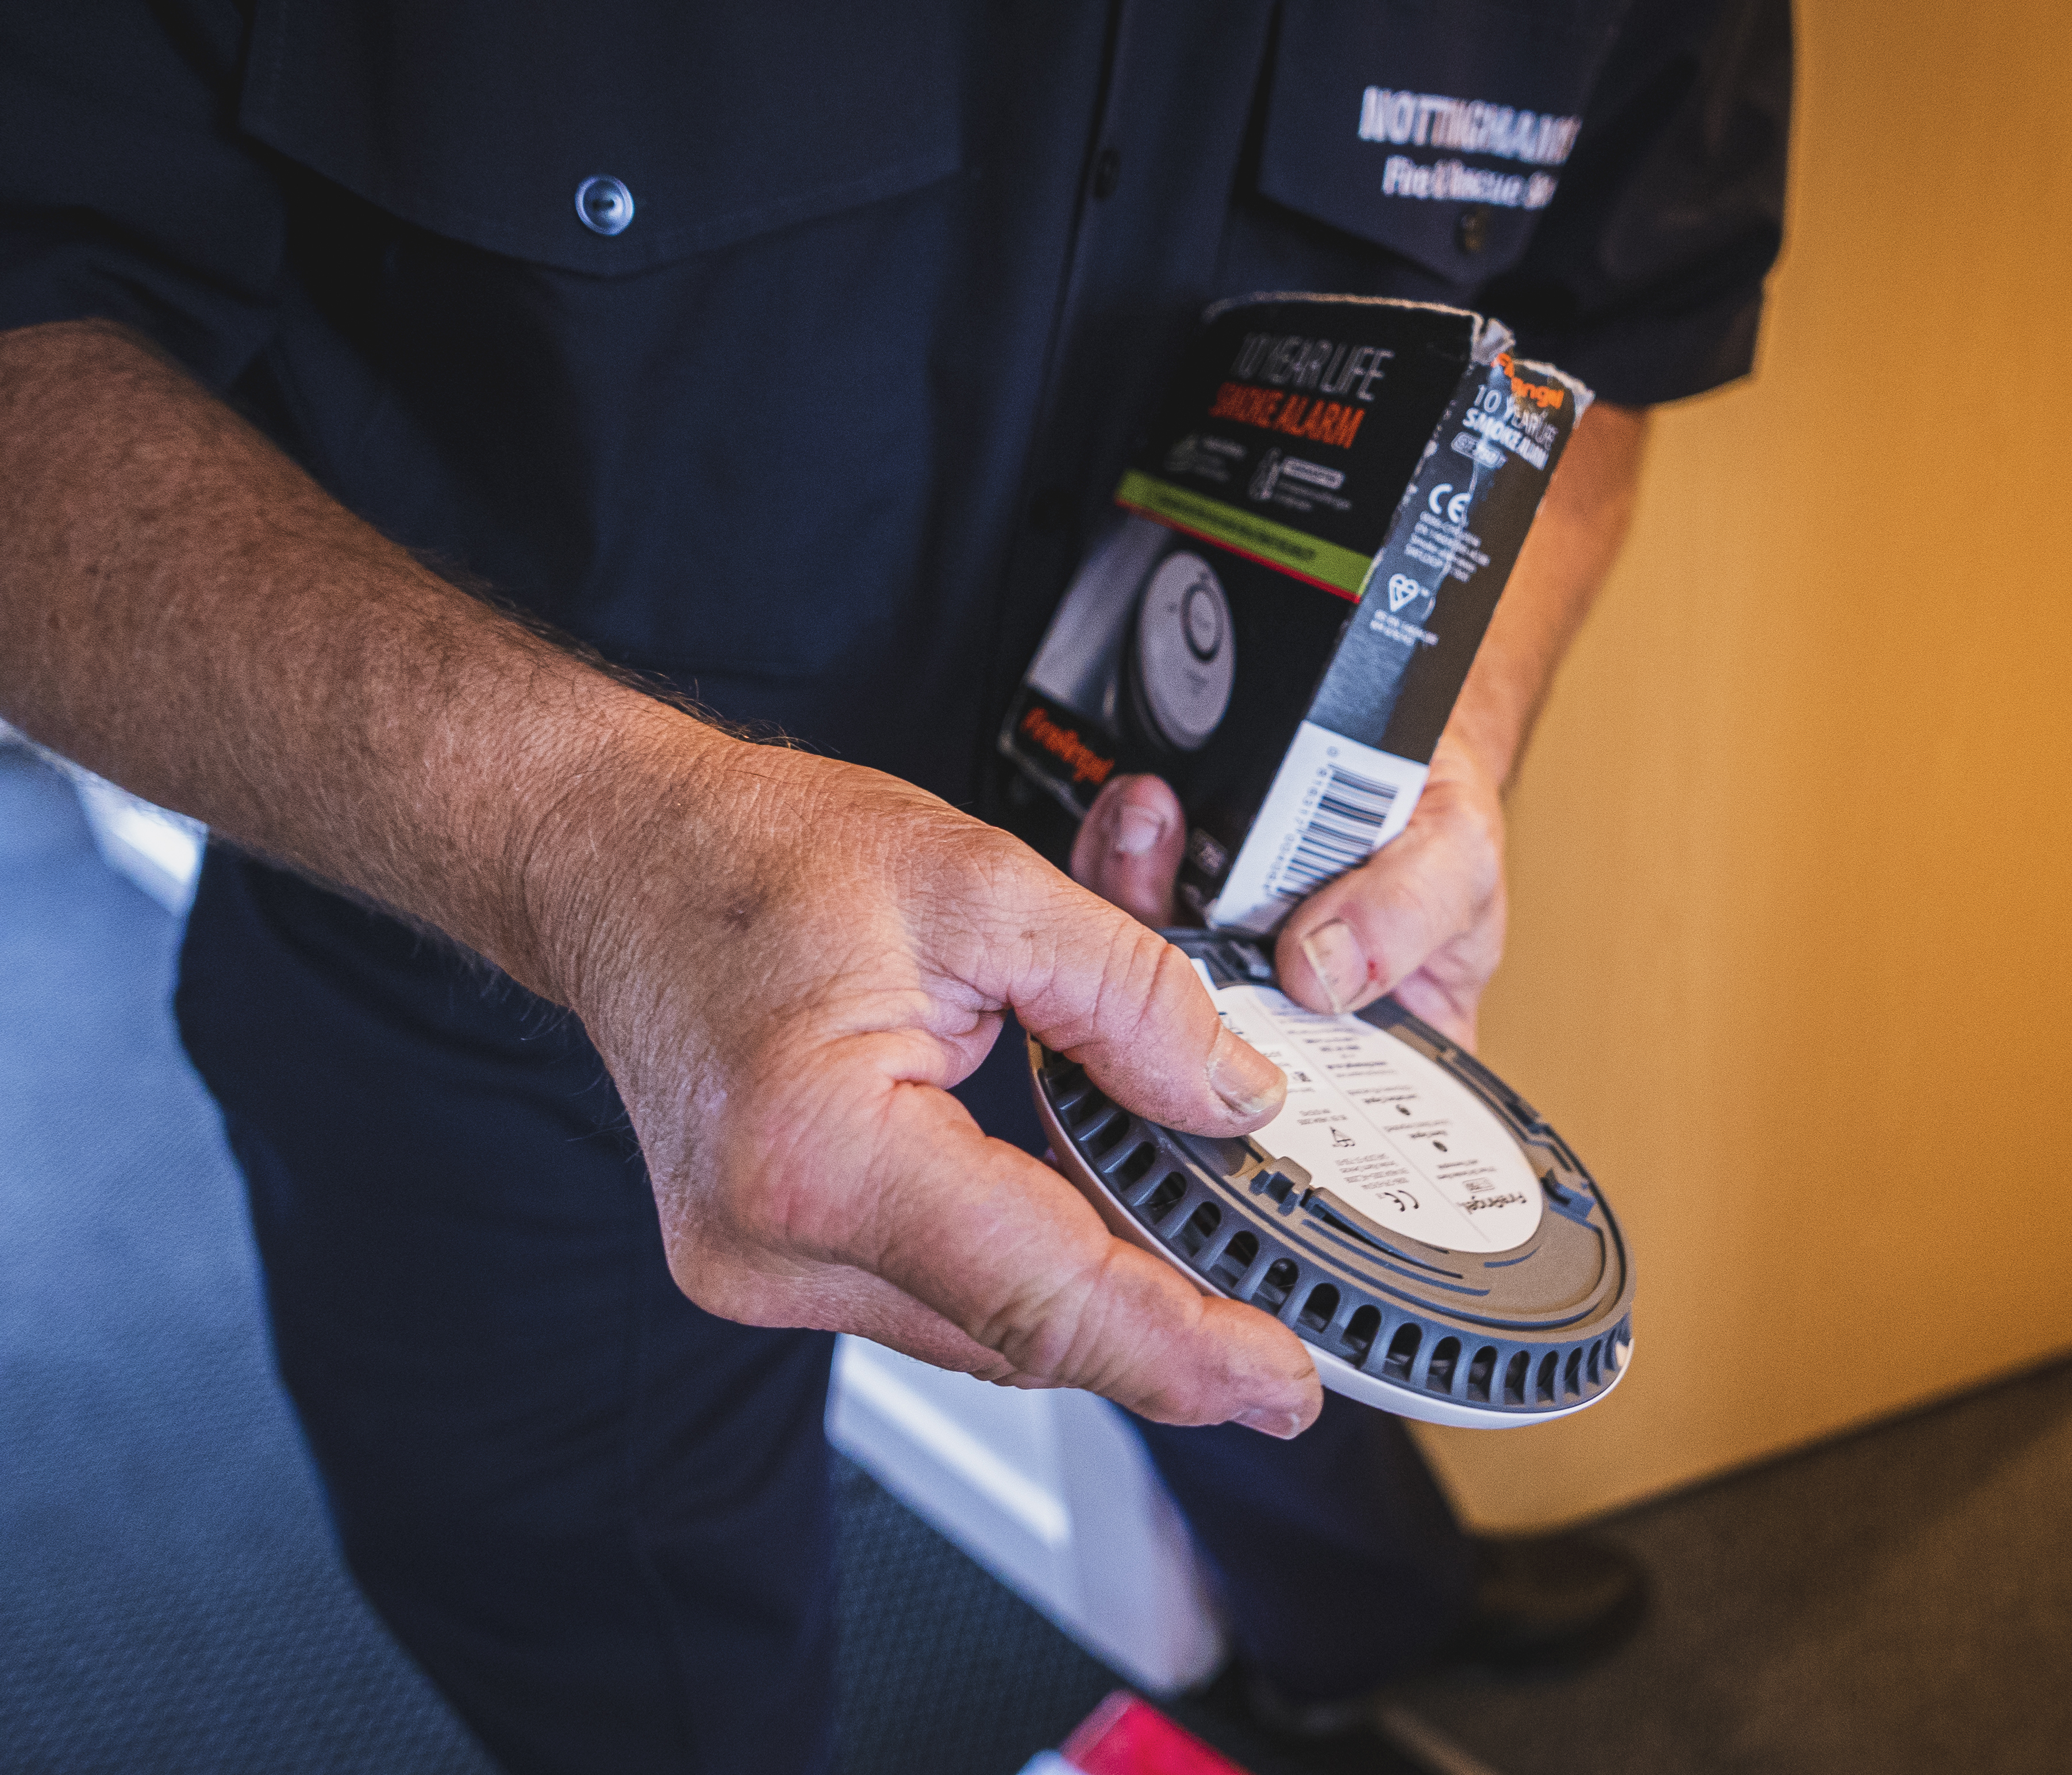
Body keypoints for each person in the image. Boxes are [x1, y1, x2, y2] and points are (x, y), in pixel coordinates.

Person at [0, 4, 1790, 1771]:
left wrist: (1448, 727)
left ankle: (1365, 1622)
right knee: (640, 1664)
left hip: (1214, 929)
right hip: (519, 962)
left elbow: (1607, 338)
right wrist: (594, 847)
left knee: (1287, 1374)